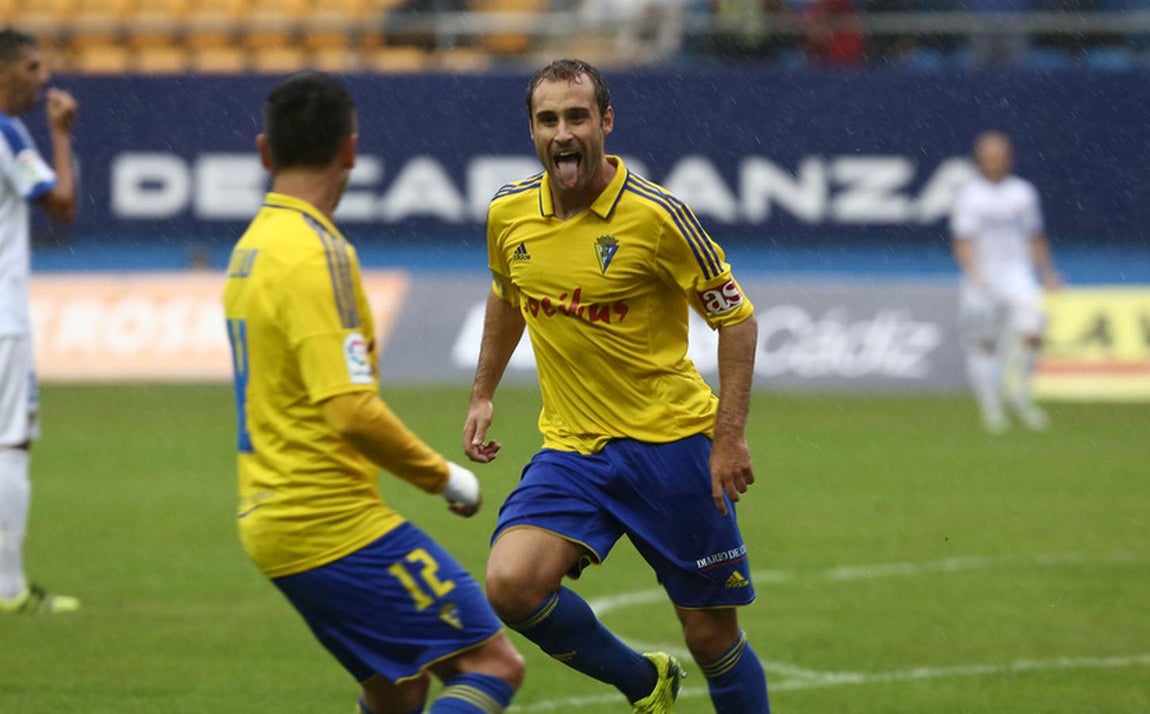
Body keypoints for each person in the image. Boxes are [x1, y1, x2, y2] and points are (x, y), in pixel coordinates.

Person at [464, 59, 770, 713]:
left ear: (606, 121)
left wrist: (729, 437)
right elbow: (507, 296)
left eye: (577, 116)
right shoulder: (508, 212)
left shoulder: (659, 217)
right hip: (574, 452)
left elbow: (736, 323)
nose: (562, 132)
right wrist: (483, 391)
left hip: (674, 448)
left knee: (712, 636)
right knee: (511, 585)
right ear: (533, 130)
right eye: (548, 120)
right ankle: (645, 683)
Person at [223, 72, 523, 714]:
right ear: (351, 150)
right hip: (326, 519)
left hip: (269, 512)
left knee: (398, 686)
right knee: (491, 665)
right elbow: (349, 408)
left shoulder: (252, 248)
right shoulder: (317, 254)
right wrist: (444, 477)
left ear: (263, 152)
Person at [0, 29, 79, 615]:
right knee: (12, 443)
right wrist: (60, 134)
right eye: (32, 66)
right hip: (3, 318)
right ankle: (9, 589)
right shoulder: (7, 132)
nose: (43, 77)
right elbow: (62, 206)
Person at [950, 131, 1061, 433]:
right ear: (979, 160)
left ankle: (1018, 394)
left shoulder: (1022, 193)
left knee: (1032, 331)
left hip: (1017, 275)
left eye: (999, 156)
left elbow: (1034, 236)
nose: (994, 162)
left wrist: (1047, 273)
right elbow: (962, 240)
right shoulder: (969, 195)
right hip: (983, 277)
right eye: (988, 157)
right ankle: (991, 407)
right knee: (984, 344)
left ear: (1008, 159)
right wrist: (974, 273)